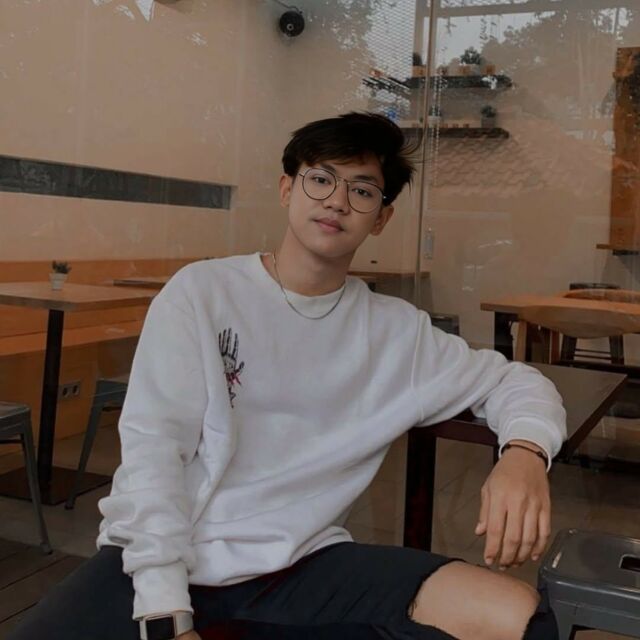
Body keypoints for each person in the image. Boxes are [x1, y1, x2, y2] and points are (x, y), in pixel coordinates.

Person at [10, 113, 566, 640]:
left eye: (362, 190)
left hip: (303, 564)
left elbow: (515, 382)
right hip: (165, 556)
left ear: (381, 218)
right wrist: (166, 615)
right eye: (320, 179)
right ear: (286, 189)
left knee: (515, 616)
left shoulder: (397, 332)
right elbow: (154, 455)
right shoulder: (203, 293)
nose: (337, 201)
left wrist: (523, 456)